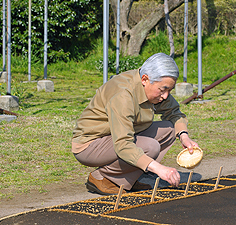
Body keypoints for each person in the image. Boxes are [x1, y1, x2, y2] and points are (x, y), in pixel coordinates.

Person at [72, 53, 199, 195]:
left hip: (117, 137)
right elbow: (123, 145)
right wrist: (158, 168)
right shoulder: (123, 95)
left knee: (169, 130)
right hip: (90, 145)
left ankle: (128, 178)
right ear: (145, 79)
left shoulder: (151, 84)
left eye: (169, 90)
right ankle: (102, 178)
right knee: (150, 147)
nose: (165, 96)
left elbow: (174, 112)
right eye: (163, 90)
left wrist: (184, 136)